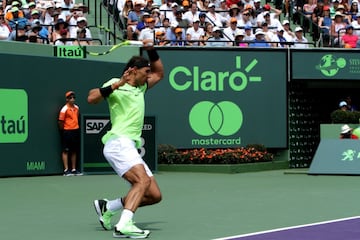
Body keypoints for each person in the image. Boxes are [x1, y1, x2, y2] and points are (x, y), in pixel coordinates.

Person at [88, 40, 163, 239]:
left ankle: (109, 206)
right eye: (145, 72)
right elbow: (92, 98)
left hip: (129, 145)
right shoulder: (115, 85)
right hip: (118, 142)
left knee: (154, 195)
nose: (148, 75)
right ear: (133, 71)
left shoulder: (142, 88)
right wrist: (118, 84)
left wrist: (151, 50)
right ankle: (124, 225)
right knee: (142, 180)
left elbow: (159, 73)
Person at [58, 91, 82, 176]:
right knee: (66, 150)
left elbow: (77, 117)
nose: (72, 99)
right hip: (67, 131)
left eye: (73, 98)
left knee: (74, 150)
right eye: (70, 98)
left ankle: (74, 169)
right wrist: (64, 130)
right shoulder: (64, 109)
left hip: (75, 130)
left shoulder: (77, 108)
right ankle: (66, 170)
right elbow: (60, 122)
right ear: (67, 99)